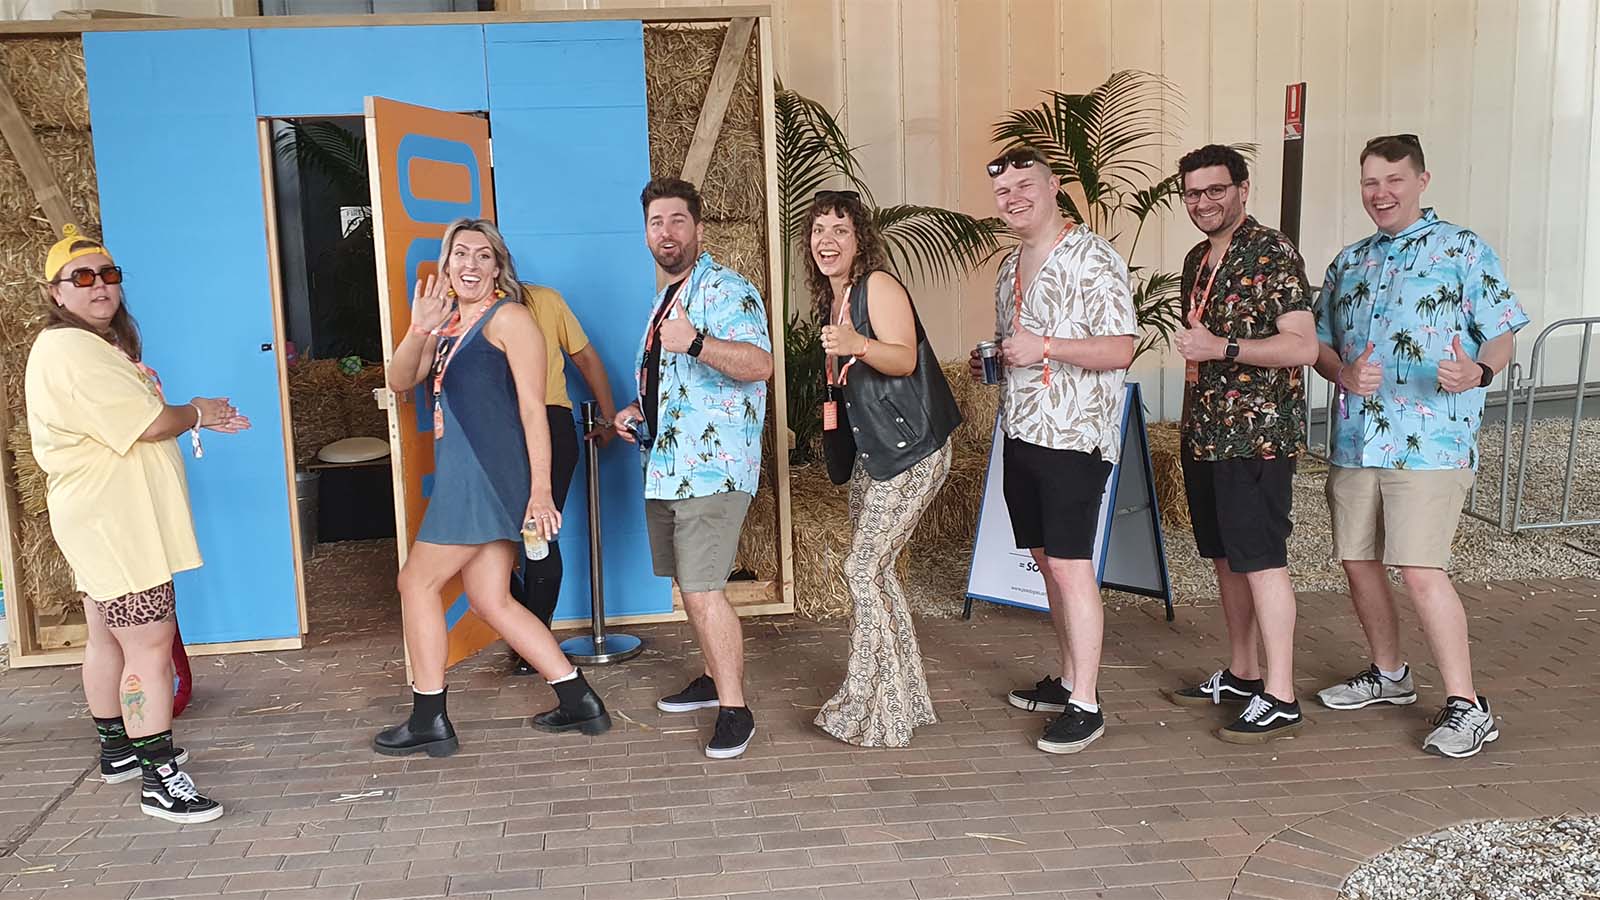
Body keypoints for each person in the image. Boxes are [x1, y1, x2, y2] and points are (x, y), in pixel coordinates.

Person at [1311, 135, 1529, 759]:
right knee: (1357, 560)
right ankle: (1389, 674)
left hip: (1431, 443)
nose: (1381, 193)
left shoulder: (1462, 249)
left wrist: (1479, 373)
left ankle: (1467, 704)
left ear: (1422, 180)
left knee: (1419, 568)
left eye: (1393, 180)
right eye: (1370, 182)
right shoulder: (1349, 261)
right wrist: (1341, 373)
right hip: (1357, 441)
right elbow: (1322, 343)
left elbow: (1502, 335)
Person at [26, 225, 251, 823]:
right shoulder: (71, 350)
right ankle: (159, 777)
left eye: (108, 275)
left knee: (106, 634)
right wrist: (198, 411)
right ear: (56, 293)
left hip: (103, 520)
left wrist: (191, 417)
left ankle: (117, 749)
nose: (99, 286)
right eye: (82, 278)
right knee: (149, 647)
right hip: (119, 525)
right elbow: (148, 424)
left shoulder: (85, 348)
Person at [373, 218, 611, 758]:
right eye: (461, 254)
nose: (471, 265)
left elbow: (534, 410)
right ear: (447, 263)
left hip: (489, 472)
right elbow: (398, 380)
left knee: (416, 584)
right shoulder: (447, 324)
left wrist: (542, 490)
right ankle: (578, 699)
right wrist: (420, 328)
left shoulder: (513, 320)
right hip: (469, 469)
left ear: (498, 266)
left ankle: (429, 716)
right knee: (490, 598)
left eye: (483, 255)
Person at [968, 147, 1137, 754]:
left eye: (1024, 186)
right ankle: (1068, 680)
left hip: (1073, 436)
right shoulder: (1009, 267)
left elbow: (1121, 349)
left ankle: (1087, 705)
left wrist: (1045, 348)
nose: (1013, 198)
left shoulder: (1094, 259)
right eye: (1003, 192)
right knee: (1046, 562)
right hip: (1021, 431)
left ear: (1054, 186)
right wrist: (993, 358)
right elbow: (1014, 345)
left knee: (1070, 565)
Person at [1161, 144, 1319, 744]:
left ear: (1243, 188)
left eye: (1215, 190)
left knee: (1261, 560)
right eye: (1193, 192)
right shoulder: (1197, 259)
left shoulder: (1271, 251)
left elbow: (1301, 346)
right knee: (1226, 558)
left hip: (1256, 437)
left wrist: (1223, 349)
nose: (1203, 202)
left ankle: (1281, 693)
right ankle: (1244, 672)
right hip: (1205, 433)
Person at [614, 178, 773, 760]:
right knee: (689, 585)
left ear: (698, 229)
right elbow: (672, 383)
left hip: (712, 471)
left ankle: (736, 710)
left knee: (704, 589)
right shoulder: (665, 298)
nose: (666, 232)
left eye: (677, 220)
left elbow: (761, 364)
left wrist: (699, 342)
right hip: (666, 464)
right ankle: (712, 679)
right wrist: (639, 411)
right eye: (656, 222)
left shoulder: (727, 292)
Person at [806, 190, 961, 747]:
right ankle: (903, 698)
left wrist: (856, 343)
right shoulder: (837, 297)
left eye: (840, 230)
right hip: (876, 453)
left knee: (861, 569)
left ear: (859, 238)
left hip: (911, 449)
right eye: (819, 229)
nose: (828, 240)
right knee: (880, 571)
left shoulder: (877, 286)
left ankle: (874, 702)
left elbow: (904, 357)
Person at [507, 283, 617, 671]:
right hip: (495, 430)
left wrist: (606, 417)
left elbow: (585, 358)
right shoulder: (463, 307)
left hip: (548, 423)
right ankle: (525, 630)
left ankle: (534, 643)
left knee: (538, 536)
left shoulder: (546, 300)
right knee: (490, 543)